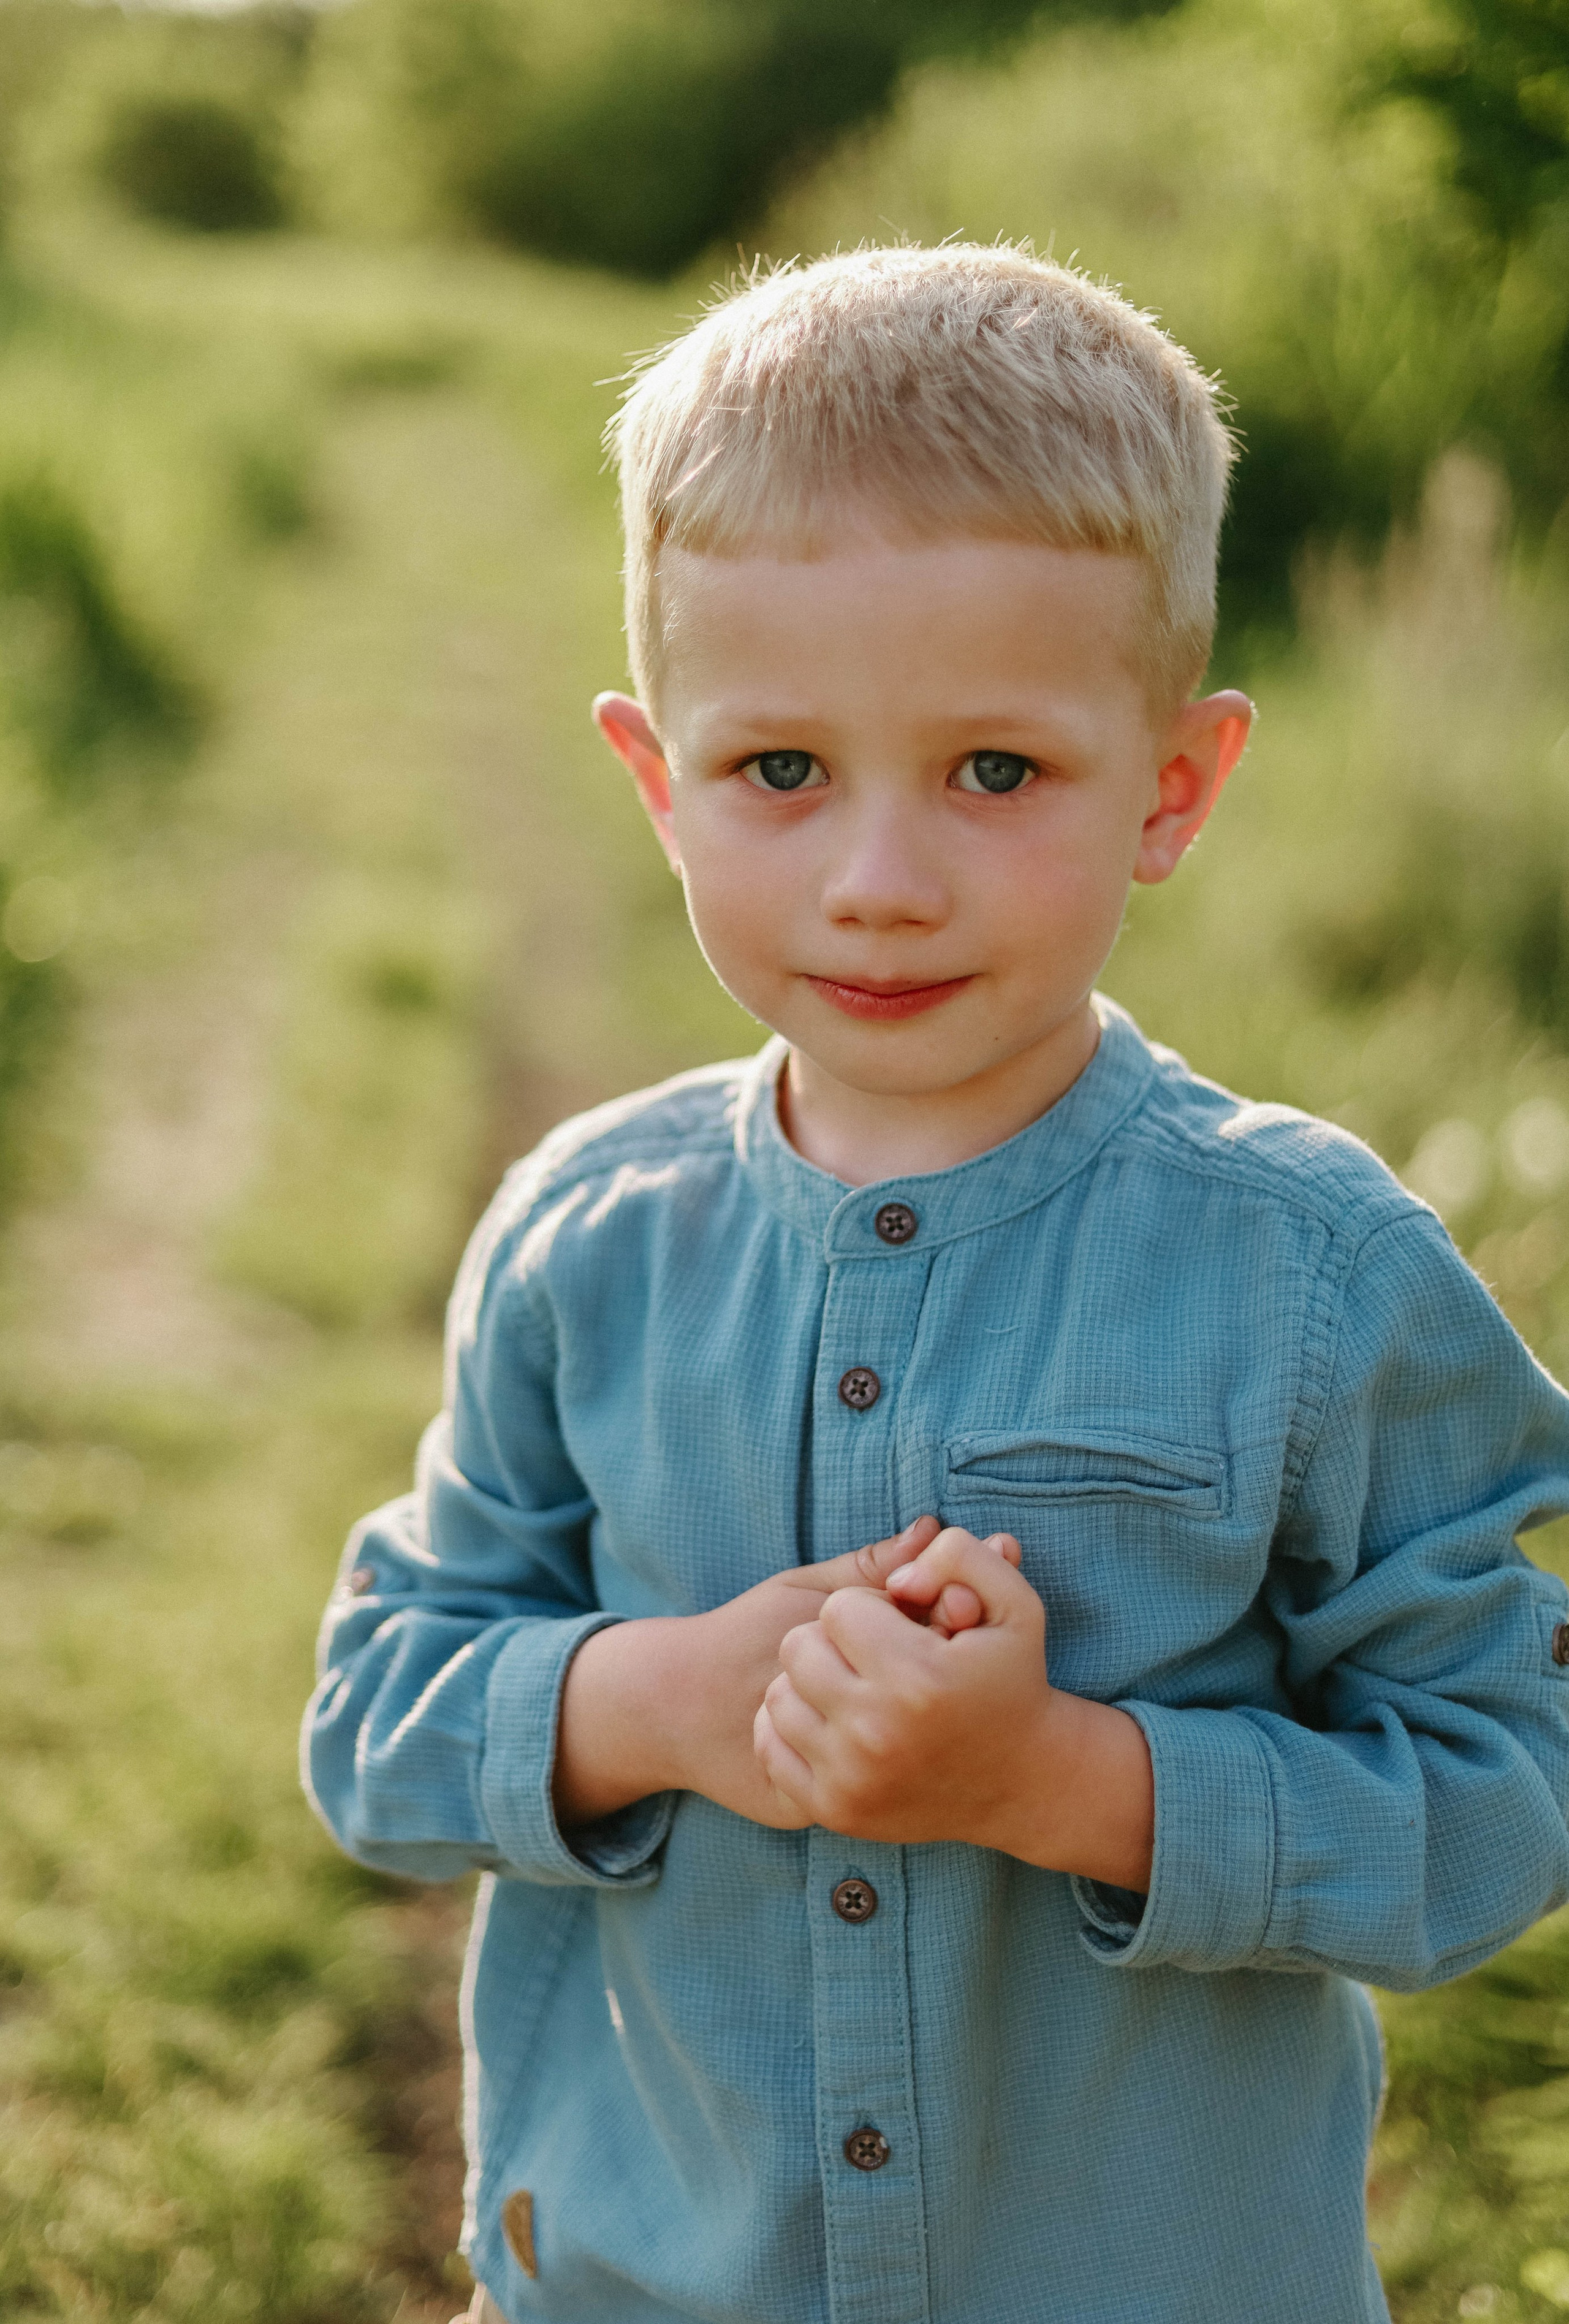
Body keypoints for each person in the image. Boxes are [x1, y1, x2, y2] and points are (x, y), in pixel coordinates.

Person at [302, 244, 1569, 2324]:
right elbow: (377, 1720)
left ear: (1173, 786)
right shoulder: (584, 1239)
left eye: (995, 772)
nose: (878, 881)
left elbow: (1509, 1788)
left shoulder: (1315, 1278)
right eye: (780, 772)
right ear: (658, 784)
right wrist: (660, 1701)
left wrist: (1058, 1782)